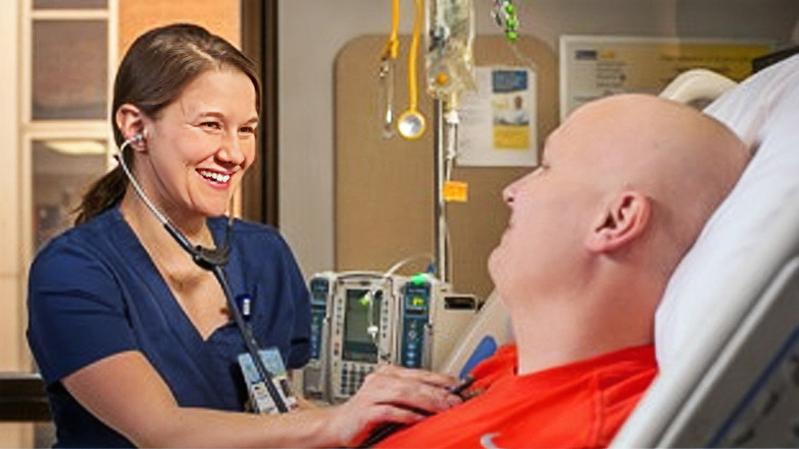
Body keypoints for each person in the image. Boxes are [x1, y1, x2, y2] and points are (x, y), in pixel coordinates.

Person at [27, 23, 462, 448]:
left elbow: (279, 409)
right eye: (211, 125)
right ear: (136, 127)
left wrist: (391, 424)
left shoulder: (262, 254)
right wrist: (334, 424)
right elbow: (161, 431)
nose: (234, 153)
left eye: (247, 129)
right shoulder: (73, 271)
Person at [375, 94, 749, 448]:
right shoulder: (515, 366)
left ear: (614, 220)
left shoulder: (592, 431)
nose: (511, 191)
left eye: (547, 167)